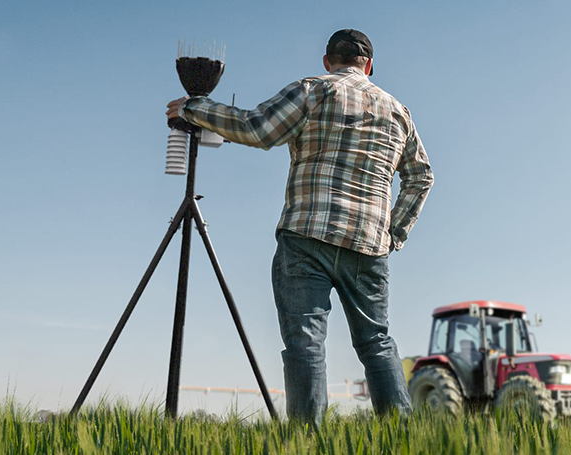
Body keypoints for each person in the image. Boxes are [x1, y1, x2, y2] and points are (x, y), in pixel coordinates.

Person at [165, 29, 432, 424]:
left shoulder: (312, 89)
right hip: (369, 246)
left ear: (328, 61)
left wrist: (195, 108)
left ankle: (307, 442)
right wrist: (394, 232)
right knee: (376, 342)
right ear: (369, 66)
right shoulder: (398, 112)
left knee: (306, 343)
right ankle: (401, 439)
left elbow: (257, 129)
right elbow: (421, 176)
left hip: (307, 236)